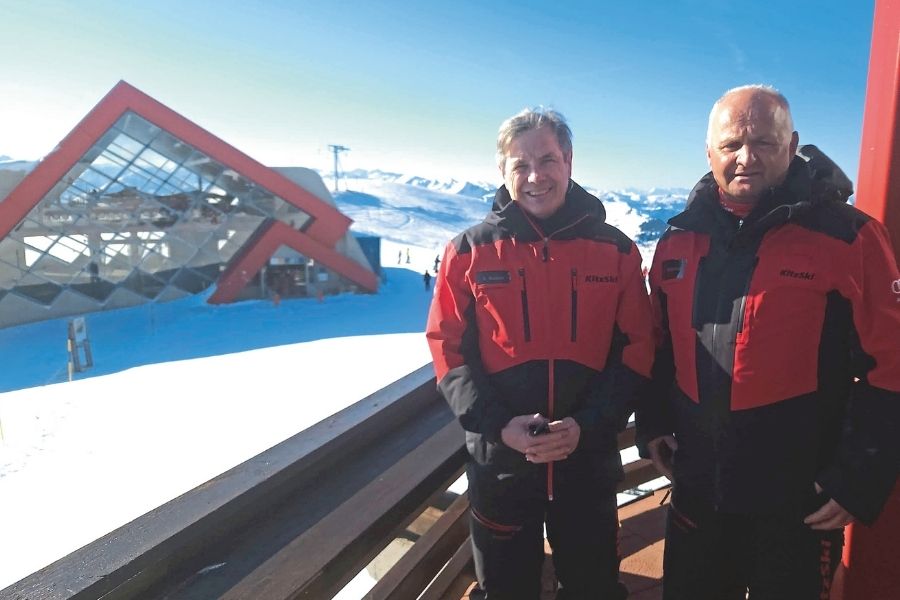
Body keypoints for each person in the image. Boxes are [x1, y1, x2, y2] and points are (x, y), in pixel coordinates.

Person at [636, 85, 900, 599]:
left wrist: (860, 476)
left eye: (764, 141)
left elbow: (891, 364)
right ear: (709, 151)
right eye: (732, 143)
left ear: (792, 142)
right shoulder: (678, 241)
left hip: (799, 502)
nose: (746, 157)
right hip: (698, 492)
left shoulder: (849, 237)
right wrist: (654, 423)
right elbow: (660, 347)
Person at [426, 107, 654, 599]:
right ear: (502, 172)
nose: (534, 176)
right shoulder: (468, 251)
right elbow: (447, 348)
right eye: (519, 164)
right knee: (506, 590)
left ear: (568, 160)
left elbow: (638, 347)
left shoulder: (615, 251)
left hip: (586, 462)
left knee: (592, 585)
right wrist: (497, 424)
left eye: (547, 159)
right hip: (502, 464)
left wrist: (589, 424)